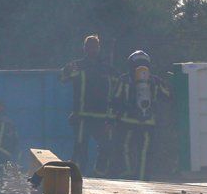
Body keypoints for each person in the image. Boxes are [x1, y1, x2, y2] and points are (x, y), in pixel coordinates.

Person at [60, 35, 116, 176]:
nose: (92, 49)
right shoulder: (77, 65)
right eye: (89, 46)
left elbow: (117, 90)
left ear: (99, 48)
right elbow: (62, 78)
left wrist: (111, 117)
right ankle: (76, 180)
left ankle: (99, 175)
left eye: (95, 46)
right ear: (84, 48)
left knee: (106, 148)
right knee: (80, 150)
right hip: (82, 117)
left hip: (102, 118)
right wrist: (68, 70)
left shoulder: (106, 68)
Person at [111, 51, 171, 180]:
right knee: (145, 150)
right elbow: (168, 96)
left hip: (126, 121)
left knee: (124, 147)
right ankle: (143, 176)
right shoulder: (155, 81)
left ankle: (127, 173)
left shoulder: (124, 79)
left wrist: (114, 117)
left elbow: (115, 99)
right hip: (148, 122)